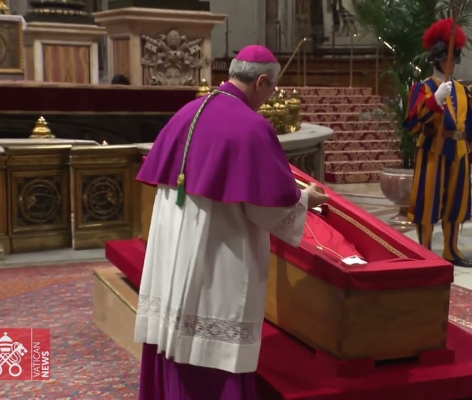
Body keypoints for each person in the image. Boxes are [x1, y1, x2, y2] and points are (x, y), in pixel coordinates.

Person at [133, 44, 329, 400]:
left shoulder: (188, 111)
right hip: (216, 253)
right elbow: (266, 208)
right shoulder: (251, 127)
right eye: (271, 89)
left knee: (176, 325)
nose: (269, 99)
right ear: (262, 81)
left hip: (174, 251)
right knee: (211, 330)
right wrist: (306, 200)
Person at [405, 19, 472, 268]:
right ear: (436, 59)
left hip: (459, 150)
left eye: (453, 58)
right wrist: (434, 101)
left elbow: (470, 126)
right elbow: (412, 123)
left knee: (456, 202)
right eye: (446, 58)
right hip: (433, 149)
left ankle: (451, 249)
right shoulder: (423, 88)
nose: (450, 62)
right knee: (427, 202)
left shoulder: (462, 90)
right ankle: (425, 250)